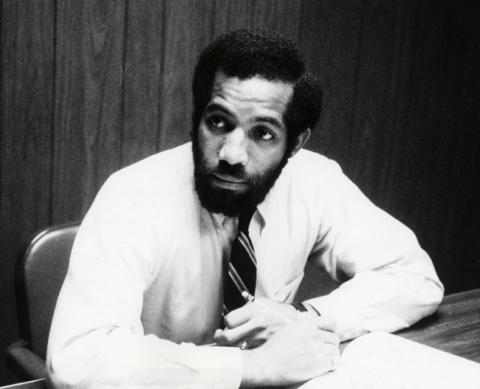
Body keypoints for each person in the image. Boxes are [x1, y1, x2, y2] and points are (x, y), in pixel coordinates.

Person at [47, 29, 443, 389]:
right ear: (197, 116)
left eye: (263, 134)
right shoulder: (132, 195)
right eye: (218, 122)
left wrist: (305, 319)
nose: (232, 154)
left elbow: (415, 278)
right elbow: (78, 358)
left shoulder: (314, 180)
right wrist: (250, 367)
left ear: (296, 143)